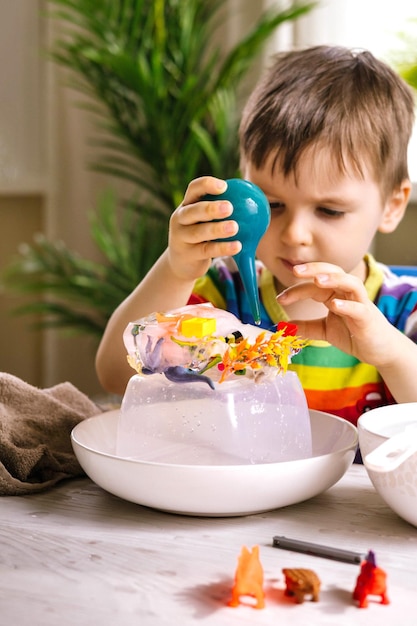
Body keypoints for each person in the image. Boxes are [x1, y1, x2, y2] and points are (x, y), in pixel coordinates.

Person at [95, 45, 417, 428]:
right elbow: (116, 376)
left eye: (329, 211)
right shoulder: (220, 297)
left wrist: (393, 355)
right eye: (272, 205)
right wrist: (177, 270)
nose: (295, 234)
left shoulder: (403, 307)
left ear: (393, 205)